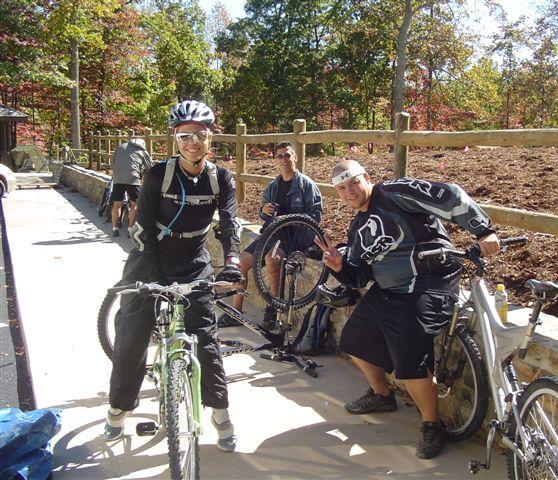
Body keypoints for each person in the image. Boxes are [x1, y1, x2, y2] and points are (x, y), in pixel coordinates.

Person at [315, 159, 500, 459]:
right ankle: (382, 395)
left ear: (367, 178)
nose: (349, 191)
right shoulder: (358, 227)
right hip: (391, 289)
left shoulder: (395, 192)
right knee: (353, 340)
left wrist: (483, 230)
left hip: (431, 279)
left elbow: (449, 195)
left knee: (409, 349)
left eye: (353, 183)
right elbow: (360, 277)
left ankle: (432, 425)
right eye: (341, 188)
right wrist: (339, 267)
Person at [105, 100, 244, 452]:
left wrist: (230, 261)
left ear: (211, 137)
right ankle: (119, 408)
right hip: (150, 257)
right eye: (184, 136)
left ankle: (220, 413)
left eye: (199, 135)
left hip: (194, 258)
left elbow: (229, 223)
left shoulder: (220, 178)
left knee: (206, 337)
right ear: (175, 139)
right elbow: (144, 226)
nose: (192, 142)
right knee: (132, 331)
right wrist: (148, 280)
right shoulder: (157, 175)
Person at [217, 141, 323, 330]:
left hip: (295, 237)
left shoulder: (306, 185)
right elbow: (261, 214)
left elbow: (316, 216)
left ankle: (273, 309)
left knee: (272, 259)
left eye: (287, 155)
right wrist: (264, 210)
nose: (283, 159)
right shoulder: (273, 186)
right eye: (280, 156)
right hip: (271, 235)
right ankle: (236, 312)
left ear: (295, 158)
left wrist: (290, 218)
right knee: (239, 264)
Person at [110, 137, 152, 237]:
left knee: (117, 204)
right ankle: (130, 229)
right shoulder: (142, 150)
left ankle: (115, 228)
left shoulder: (121, 147)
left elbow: (113, 162)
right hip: (133, 179)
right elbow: (150, 167)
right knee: (134, 205)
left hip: (118, 178)